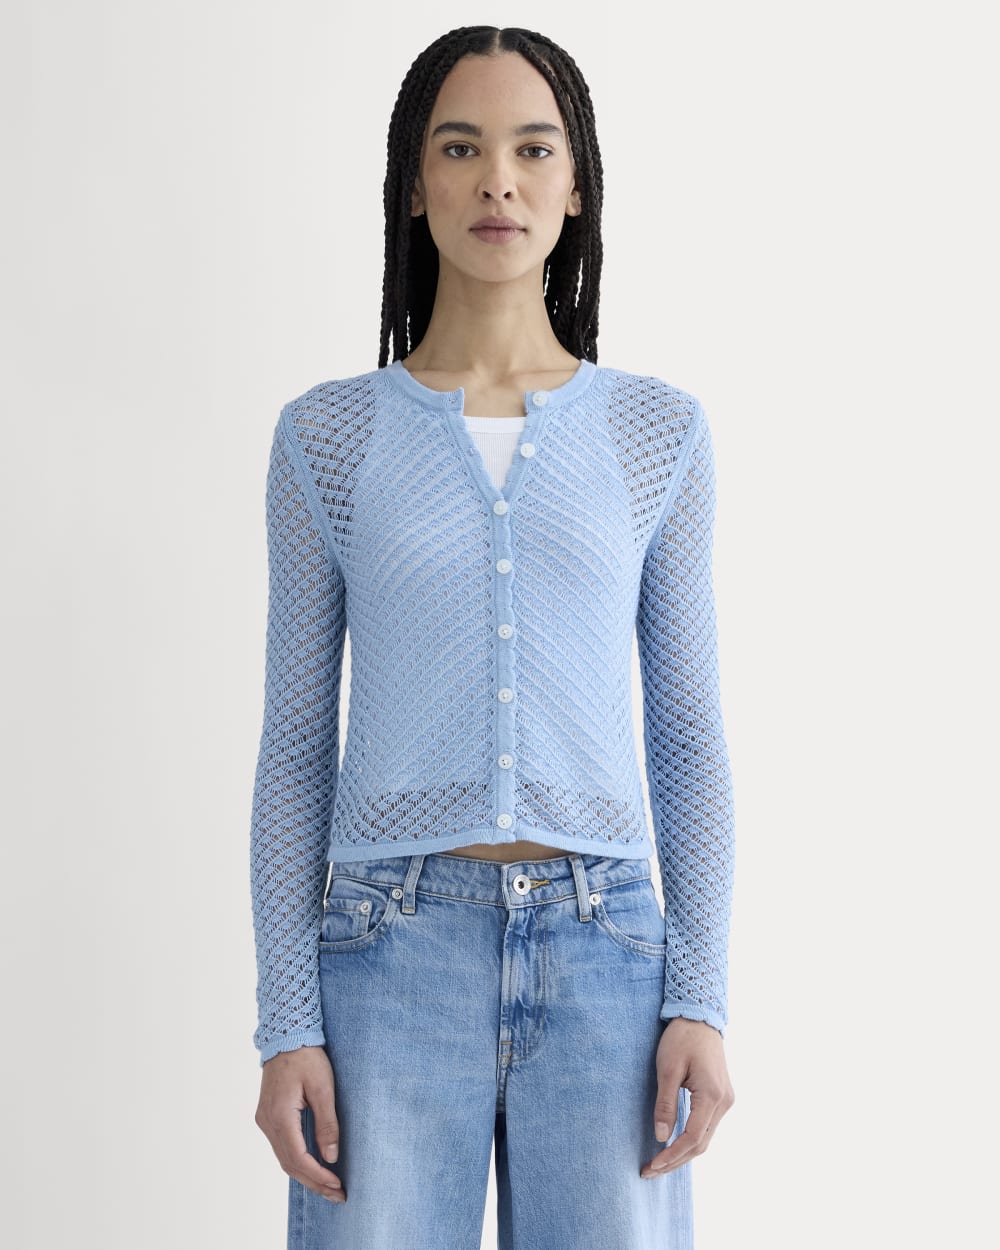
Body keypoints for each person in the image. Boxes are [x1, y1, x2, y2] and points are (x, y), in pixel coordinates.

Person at [250, 24, 735, 1249]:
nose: (498, 182)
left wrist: (700, 994)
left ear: (576, 187)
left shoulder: (656, 435)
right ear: (415, 187)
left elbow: (686, 734)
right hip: (387, 952)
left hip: (608, 951)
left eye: (532, 149)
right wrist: (287, 1019)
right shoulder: (327, 439)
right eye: (460, 149)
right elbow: (297, 746)